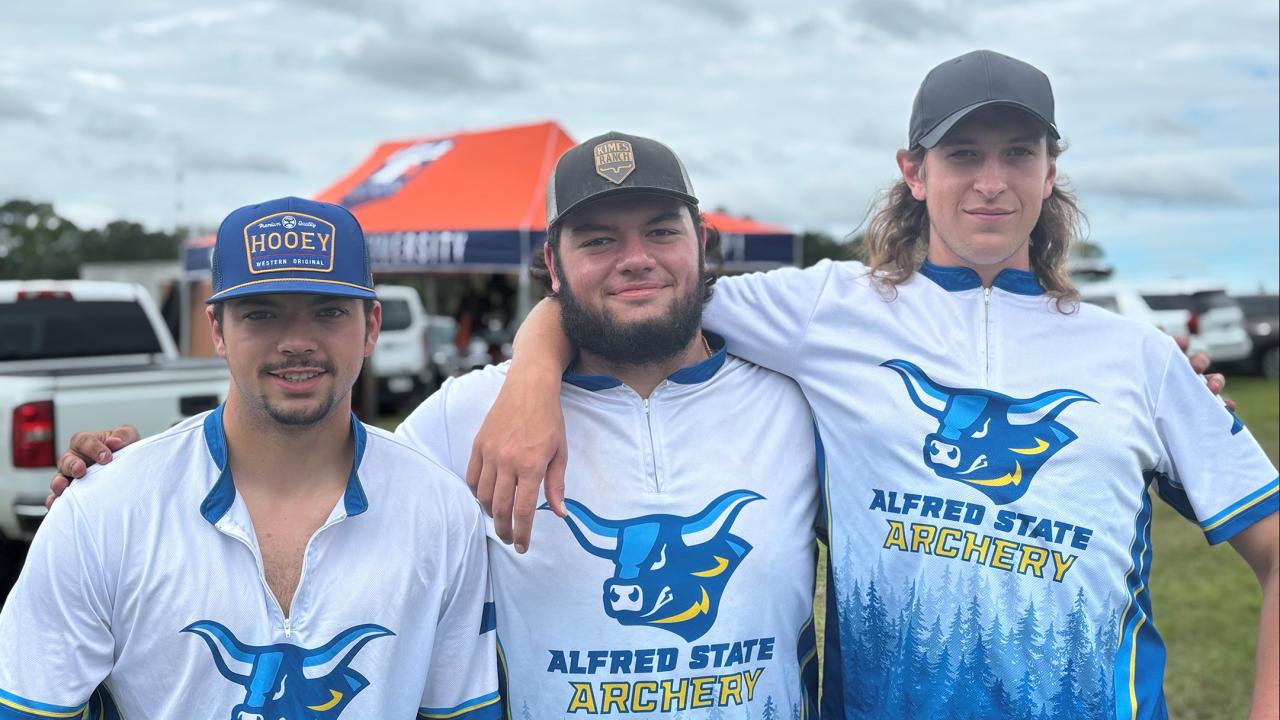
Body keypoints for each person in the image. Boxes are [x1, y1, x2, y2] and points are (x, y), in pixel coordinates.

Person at [464, 51, 1280, 718]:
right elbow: (642, 292)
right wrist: (534, 370)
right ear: (914, 171)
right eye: (963, 154)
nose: (990, 180)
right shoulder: (823, 310)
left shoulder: (1139, 356)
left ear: (1050, 171)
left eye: (1017, 154)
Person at [46, 137, 823, 717]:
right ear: (552, 265)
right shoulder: (462, 415)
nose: (635, 259)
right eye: (597, 240)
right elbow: (313, 484)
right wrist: (113, 484)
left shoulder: (795, 405)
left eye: (661, 231)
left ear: (702, 247)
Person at [2, 197, 499, 719]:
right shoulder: (105, 508)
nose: (296, 342)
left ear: (371, 326)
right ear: (217, 329)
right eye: (261, 313)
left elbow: (462, 709)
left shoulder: (441, 510)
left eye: (328, 311)